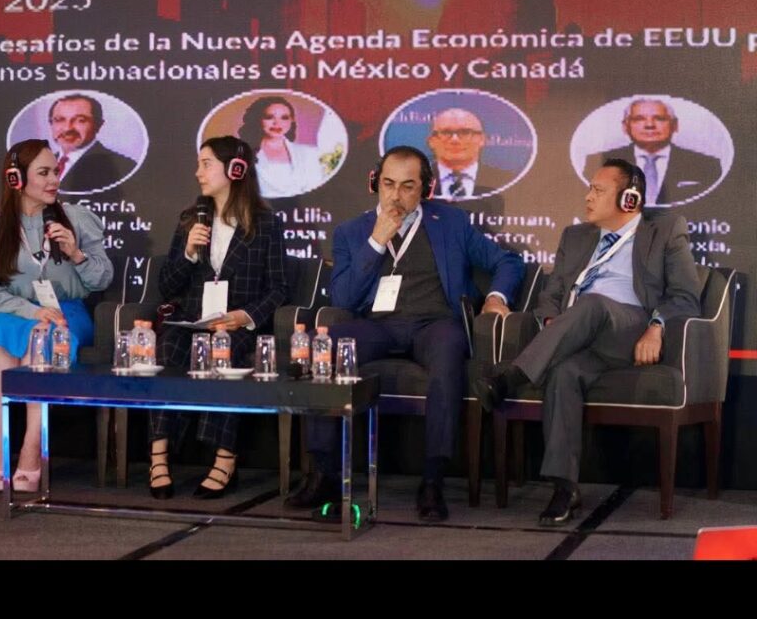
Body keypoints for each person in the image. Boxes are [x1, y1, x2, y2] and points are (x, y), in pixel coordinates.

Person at [285, 145, 525, 521]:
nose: (396, 195)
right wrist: (376, 242)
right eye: (388, 184)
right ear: (375, 184)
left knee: (448, 355)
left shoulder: (451, 223)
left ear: (425, 189)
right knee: (323, 347)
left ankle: (432, 479)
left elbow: (508, 261)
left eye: (407, 186)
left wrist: (496, 298)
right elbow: (344, 297)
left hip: (436, 324)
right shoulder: (351, 232)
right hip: (377, 325)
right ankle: (324, 473)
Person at [476, 159, 701, 526]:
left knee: (593, 304)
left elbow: (685, 296)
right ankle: (565, 487)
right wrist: (551, 322)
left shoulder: (665, 231)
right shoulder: (575, 236)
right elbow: (551, 295)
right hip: (580, 335)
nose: (588, 197)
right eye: (589, 189)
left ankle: (511, 377)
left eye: (598, 190)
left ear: (629, 200)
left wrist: (656, 327)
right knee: (563, 374)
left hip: (628, 328)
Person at [0, 138, 114, 492]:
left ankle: (32, 447)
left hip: (64, 313)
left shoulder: (76, 219)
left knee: (42, 338)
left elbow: (103, 279)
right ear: (15, 179)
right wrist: (32, 310)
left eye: (55, 172)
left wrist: (76, 254)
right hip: (10, 310)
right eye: (43, 173)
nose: (54, 181)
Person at [148, 135, 289, 500]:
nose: (198, 173)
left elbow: (278, 288)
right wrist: (188, 253)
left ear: (235, 170)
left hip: (235, 324)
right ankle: (158, 456)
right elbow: (167, 286)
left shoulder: (266, 224)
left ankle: (225, 458)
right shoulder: (190, 221)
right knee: (170, 347)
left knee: (224, 351)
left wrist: (245, 316)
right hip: (192, 320)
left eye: (206, 164)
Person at [583, 97, 722, 205]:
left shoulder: (706, 164)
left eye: (659, 119)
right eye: (639, 119)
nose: (649, 125)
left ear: (675, 125)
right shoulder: (600, 163)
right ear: (625, 126)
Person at [46, 93, 137, 193]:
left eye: (80, 120)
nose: (67, 128)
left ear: (98, 125)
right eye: (59, 120)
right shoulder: (40, 164)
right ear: (51, 124)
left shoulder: (123, 168)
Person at [239, 95, 325, 198]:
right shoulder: (242, 153)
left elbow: (315, 192)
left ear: (291, 120)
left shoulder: (310, 153)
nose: (277, 123)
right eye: (269, 117)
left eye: (284, 117)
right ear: (258, 119)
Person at [425, 107, 515, 200]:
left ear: (482, 140)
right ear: (431, 141)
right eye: (446, 132)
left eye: (465, 132)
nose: (455, 140)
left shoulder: (509, 181)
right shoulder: (419, 180)